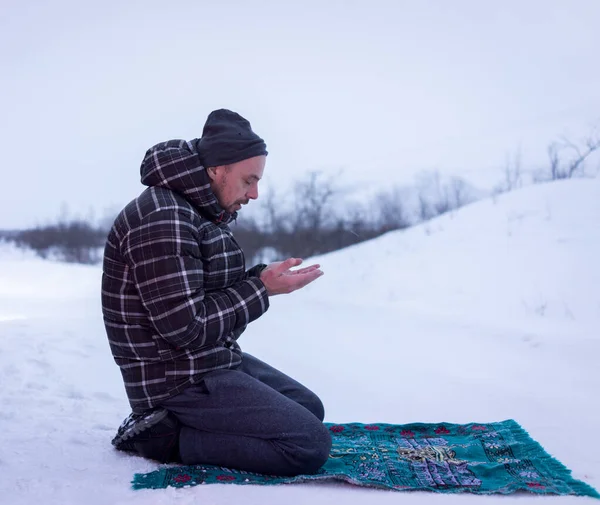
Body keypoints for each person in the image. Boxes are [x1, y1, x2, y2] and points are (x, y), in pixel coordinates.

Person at [101, 109, 332, 476]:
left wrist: (263, 279)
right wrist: (260, 289)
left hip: (207, 358)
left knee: (308, 408)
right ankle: (164, 436)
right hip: (175, 377)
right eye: (248, 180)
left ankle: (194, 425)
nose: (255, 193)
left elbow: (204, 290)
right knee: (307, 444)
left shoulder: (196, 210)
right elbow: (185, 328)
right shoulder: (164, 218)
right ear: (216, 169)